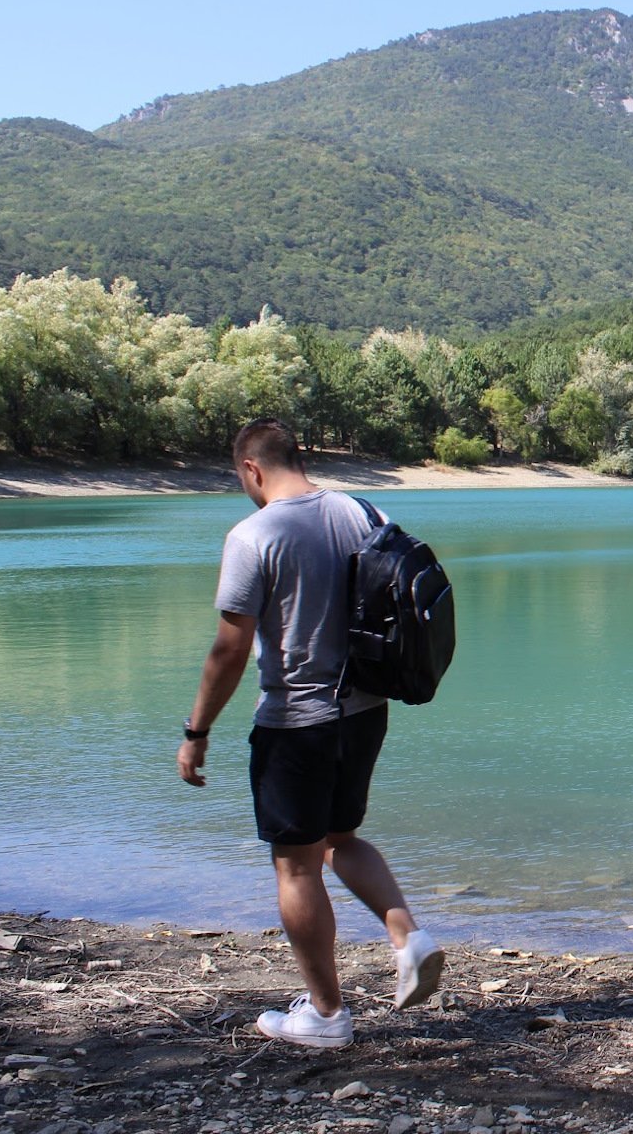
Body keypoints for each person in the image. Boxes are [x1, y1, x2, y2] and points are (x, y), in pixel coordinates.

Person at [177, 417, 443, 1048]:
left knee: (296, 866)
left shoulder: (253, 535)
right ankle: (410, 939)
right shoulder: (362, 511)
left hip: (297, 721)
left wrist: (197, 729)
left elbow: (229, 651)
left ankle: (326, 1016)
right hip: (365, 711)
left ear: (251, 469)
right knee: (340, 837)